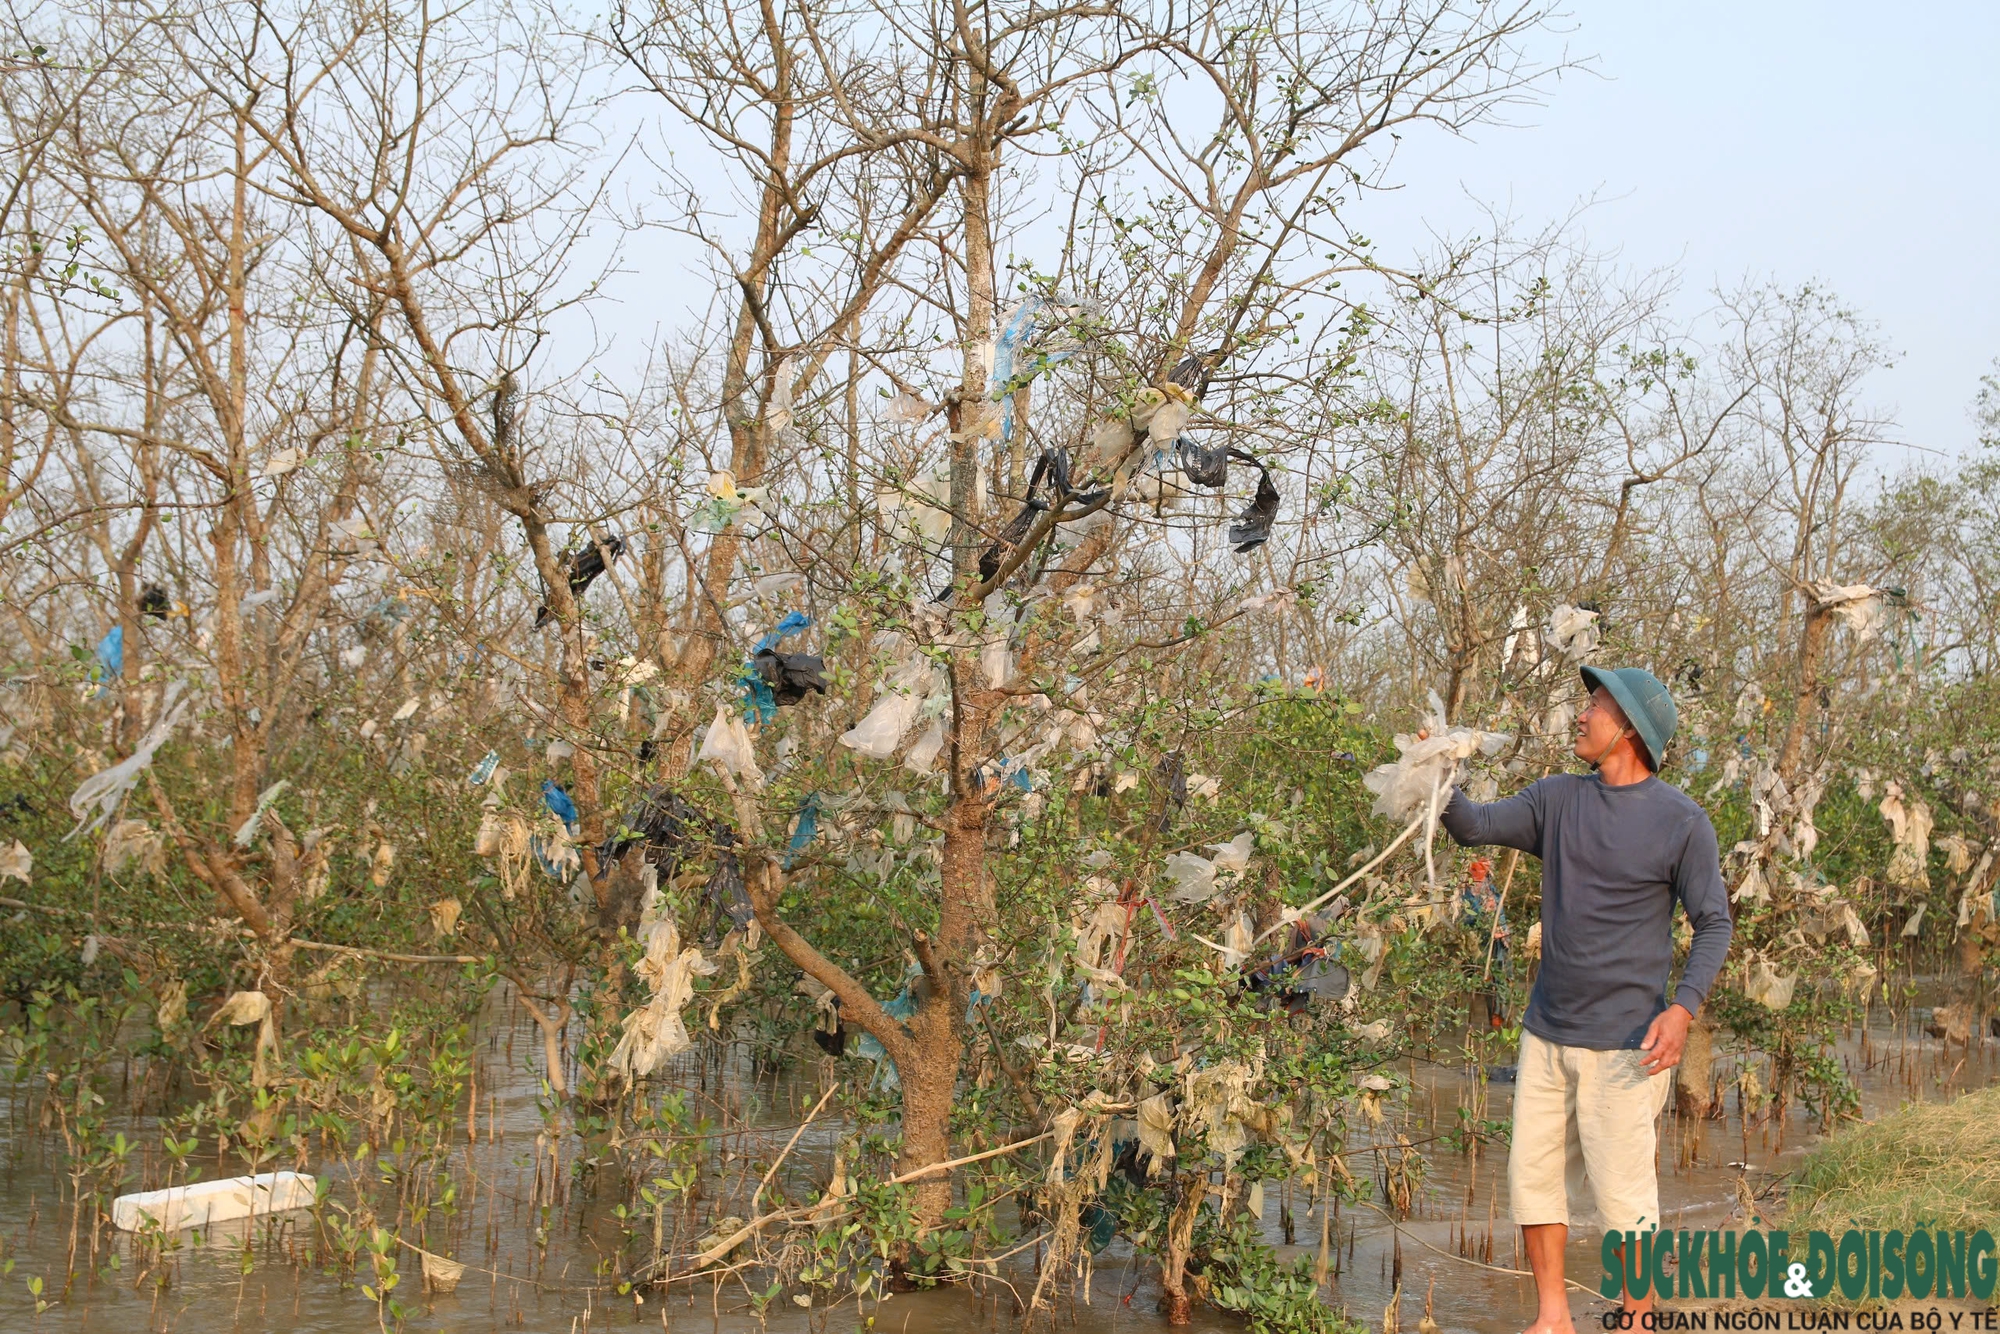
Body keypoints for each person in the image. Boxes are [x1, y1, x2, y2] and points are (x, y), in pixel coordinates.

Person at [1439, 666, 1732, 1334]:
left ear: (1629, 728)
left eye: (1594, 705)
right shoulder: (1556, 800)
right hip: (1547, 1035)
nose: (1580, 715)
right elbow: (1474, 826)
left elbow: (1714, 922)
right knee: (1533, 1183)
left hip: (1627, 1048)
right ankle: (1552, 1318)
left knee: (1625, 1202)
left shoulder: (1683, 822)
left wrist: (1682, 1009)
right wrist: (1437, 773)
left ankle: (1635, 1319)